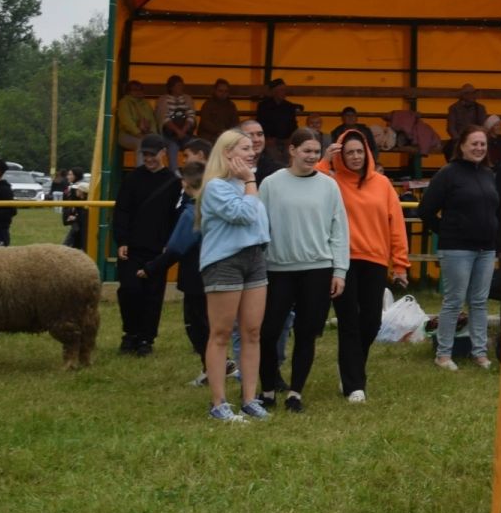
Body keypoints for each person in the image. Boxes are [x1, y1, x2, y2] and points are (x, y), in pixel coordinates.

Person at [257, 128, 349, 412]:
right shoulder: (271, 184)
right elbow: (259, 227)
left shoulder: (329, 185)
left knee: (307, 333)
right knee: (269, 332)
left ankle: (295, 392)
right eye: (306, 150)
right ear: (292, 150)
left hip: (317, 269)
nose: (311, 156)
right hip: (278, 269)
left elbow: (339, 231)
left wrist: (340, 271)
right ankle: (269, 389)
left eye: (316, 152)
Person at [320, 128, 409, 402]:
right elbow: (313, 178)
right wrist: (325, 159)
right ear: (341, 155)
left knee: (371, 322)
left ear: (368, 152)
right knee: (348, 322)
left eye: (359, 151)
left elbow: (397, 225)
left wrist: (400, 264)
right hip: (342, 262)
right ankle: (354, 384)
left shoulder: (382, 184)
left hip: (374, 260)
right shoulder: (332, 181)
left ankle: (350, 366)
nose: (355, 157)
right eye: (349, 152)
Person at [195, 129, 274, 420]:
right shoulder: (217, 187)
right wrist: (251, 183)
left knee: (252, 331)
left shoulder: (247, 185)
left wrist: (249, 186)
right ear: (227, 153)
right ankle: (218, 403)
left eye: (252, 148)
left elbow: (260, 224)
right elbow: (244, 215)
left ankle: (250, 399)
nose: (252, 151)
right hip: (224, 261)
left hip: (255, 258)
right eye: (245, 148)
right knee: (221, 333)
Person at [417, 125, 501, 372]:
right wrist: (447, 230)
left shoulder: (489, 174)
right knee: (454, 301)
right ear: (462, 145)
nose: (479, 148)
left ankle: (479, 353)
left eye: (482, 144)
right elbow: (425, 210)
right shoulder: (447, 174)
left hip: (486, 249)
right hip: (457, 249)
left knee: (479, 302)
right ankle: (443, 354)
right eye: (474, 143)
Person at [138, 139, 215, 381]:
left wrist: (150, 269)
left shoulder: (193, 212)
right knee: (211, 323)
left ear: (185, 183)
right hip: (216, 274)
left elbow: (176, 248)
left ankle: (213, 366)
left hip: (196, 277)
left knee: (197, 324)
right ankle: (216, 365)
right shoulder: (215, 206)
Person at [112, 134, 180, 354]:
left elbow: (175, 217)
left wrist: (168, 244)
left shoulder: (173, 183)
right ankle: (130, 333)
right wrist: (121, 240)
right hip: (132, 246)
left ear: (163, 153)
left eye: (153, 154)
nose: (149, 159)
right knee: (129, 290)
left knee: (153, 294)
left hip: (157, 249)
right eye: (146, 155)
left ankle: (146, 338)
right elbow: (122, 211)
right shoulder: (132, 179)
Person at [157, 75, 197, 163]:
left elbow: (191, 116)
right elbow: (164, 118)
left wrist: (183, 130)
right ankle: (173, 172)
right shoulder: (163, 99)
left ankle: (193, 172)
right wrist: (177, 131)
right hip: (169, 135)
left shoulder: (187, 98)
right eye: (178, 86)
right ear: (171, 87)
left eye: (182, 85)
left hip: (186, 133)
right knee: (172, 147)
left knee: (196, 145)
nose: (181, 87)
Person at [115, 79, 159, 152]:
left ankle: (153, 163)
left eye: (140, 89)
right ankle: (141, 164)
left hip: (146, 134)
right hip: (127, 135)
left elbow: (152, 121)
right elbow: (126, 122)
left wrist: (153, 133)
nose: (138, 92)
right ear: (128, 92)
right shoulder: (124, 102)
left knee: (158, 143)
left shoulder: (146, 103)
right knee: (141, 144)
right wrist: (138, 134)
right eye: (135, 90)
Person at [255, 78, 300, 145]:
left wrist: (291, 138)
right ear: (274, 91)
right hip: (270, 140)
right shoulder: (264, 106)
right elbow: (261, 123)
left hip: (286, 140)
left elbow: (293, 124)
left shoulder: (289, 106)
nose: (284, 93)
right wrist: (267, 138)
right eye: (281, 90)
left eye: (285, 90)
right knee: (272, 153)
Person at [61, 169, 88, 250]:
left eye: (70, 174)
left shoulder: (77, 187)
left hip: (78, 219)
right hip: (76, 218)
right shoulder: (72, 186)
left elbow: (77, 206)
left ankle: (64, 249)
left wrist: (74, 216)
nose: (68, 176)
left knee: (74, 235)